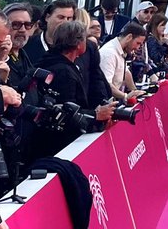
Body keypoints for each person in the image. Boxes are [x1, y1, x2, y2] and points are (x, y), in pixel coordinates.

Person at [26, 20, 114, 161]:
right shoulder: (63, 71)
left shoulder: (54, 61)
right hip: (58, 148)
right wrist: (96, 115)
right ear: (79, 44)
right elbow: (66, 114)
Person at [98, 22, 149, 103]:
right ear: (129, 37)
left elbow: (125, 72)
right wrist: (125, 96)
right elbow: (106, 85)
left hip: (111, 99)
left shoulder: (121, 49)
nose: (138, 48)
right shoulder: (109, 53)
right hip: (102, 102)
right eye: (138, 43)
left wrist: (135, 92)